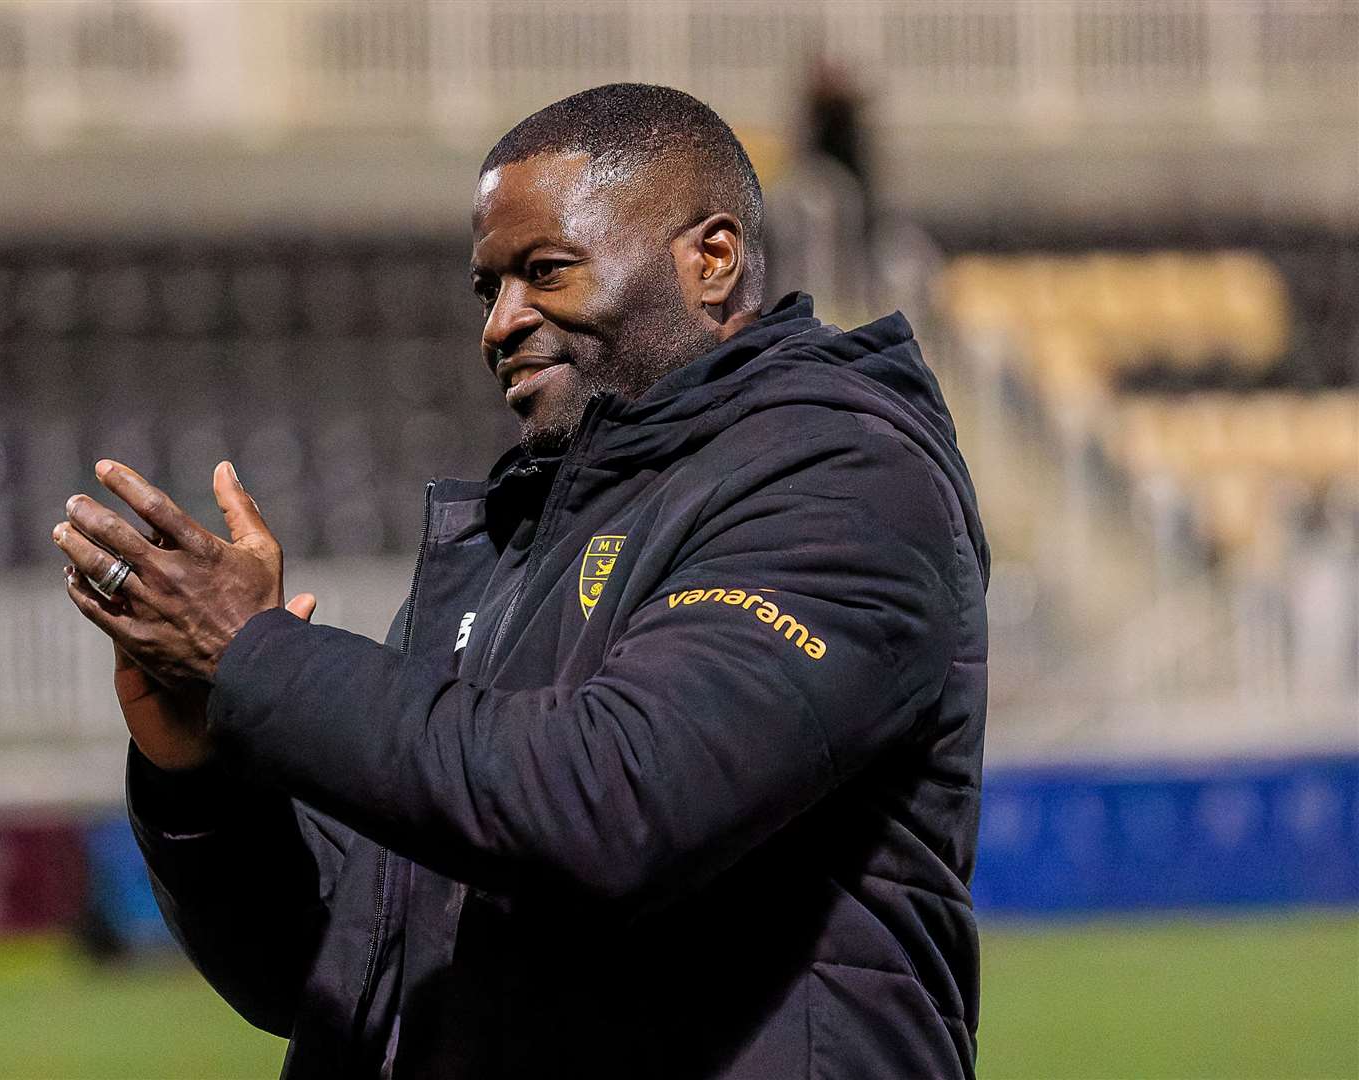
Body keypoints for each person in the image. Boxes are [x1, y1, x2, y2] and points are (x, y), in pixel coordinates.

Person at [53, 84, 989, 1079]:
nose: (499, 324)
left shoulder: (839, 479)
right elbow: (334, 967)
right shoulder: (521, 534)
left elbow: (607, 807)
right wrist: (201, 769)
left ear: (708, 260)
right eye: (486, 288)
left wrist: (256, 657)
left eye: (544, 272)